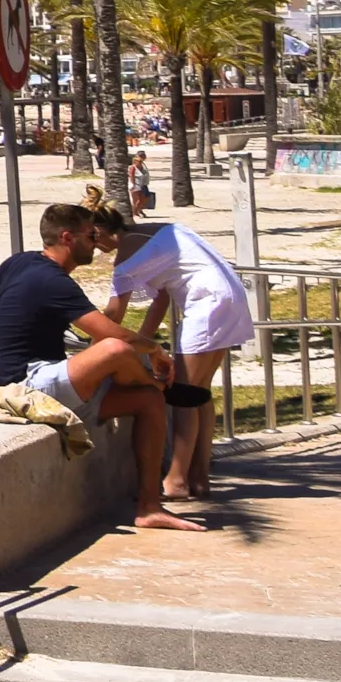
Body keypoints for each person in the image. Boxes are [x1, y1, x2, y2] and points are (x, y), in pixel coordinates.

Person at [0, 203, 200, 531]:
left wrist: (14, 302)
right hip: (26, 384)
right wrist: (156, 349)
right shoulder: (53, 281)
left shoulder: (20, 262)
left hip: (49, 376)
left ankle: (149, 507)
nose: (96, 243)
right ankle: (157, 382)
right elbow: (110, 335)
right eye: (90, 235)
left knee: (148, 401)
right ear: (67, 237)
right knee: (116, 350)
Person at [101, 207, 256, 501]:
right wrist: (145, 344)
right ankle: (199, 477)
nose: (98, 250)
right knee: (199, 393)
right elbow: (161, 299)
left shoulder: (126, 252)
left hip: (207, 301)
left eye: (95, 241)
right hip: (227, 294)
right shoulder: (158, 232)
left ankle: (177, 479)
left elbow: (113, 313)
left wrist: (83, 331)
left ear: (102, 231)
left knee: (183, 395)